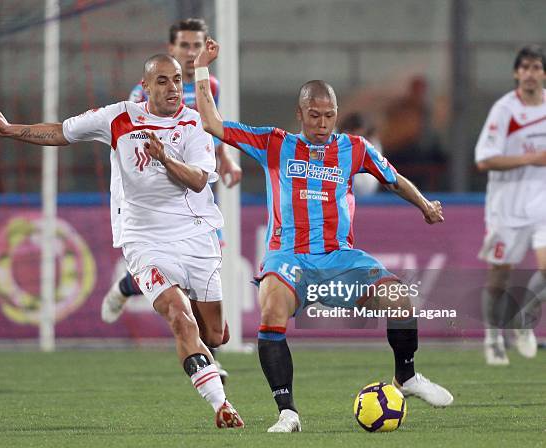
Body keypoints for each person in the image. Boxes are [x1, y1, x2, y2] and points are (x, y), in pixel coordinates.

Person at [194, 38, 453, 432]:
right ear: (300, 114)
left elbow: (393, 178)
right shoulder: (274, 143)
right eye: (314, 116)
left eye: (329, 116)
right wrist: (199, 68)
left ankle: (407, 377)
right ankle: (288, 412)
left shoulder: (355, 148)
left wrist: (424, 205)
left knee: (399, 298)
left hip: (339, 258)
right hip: (289, 256)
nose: (322, 124)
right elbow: (212, 123)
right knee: (271, 308)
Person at [0, 54, 244, 428]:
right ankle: (221, 404)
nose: (173, 89)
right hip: (144, 238)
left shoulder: (194, 122)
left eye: (178, 80)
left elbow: (199, 180)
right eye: (164, 81)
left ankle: (173, 318)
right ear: (145, 86)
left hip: (195, 235)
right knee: (180, 319)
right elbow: (61, 131)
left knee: (214, 333)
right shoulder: (119, 117)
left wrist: (165, 157)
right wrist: (10, 129)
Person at [102, 18, 241, 335]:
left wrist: (227, 159)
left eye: (197, 46)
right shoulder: (144, 91)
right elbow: (136, 138)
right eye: (185, 46)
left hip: (193, 183)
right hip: (157, 192)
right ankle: (126, 287)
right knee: (170, 271)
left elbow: (210, 128)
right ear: (172, 48)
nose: (191, 52)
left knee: (202, 265)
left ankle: (206, 348)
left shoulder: (211, 86)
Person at [475, 44, 546, 366]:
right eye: (525, 68)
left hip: (542, 202)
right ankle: (493, 337)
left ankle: (523, 320)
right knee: (498, 278)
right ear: (517, 73)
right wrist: (532, 158)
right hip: (507, 206)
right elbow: (484, 160)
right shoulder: (505, 110)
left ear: (543, 73)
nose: (530, 74)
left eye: (536, 67)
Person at [337, 112, 380, 196]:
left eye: (359, 136)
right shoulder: (334, 141)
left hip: (364, 193)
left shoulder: (372, 146)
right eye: (352, 135)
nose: (355, 140)